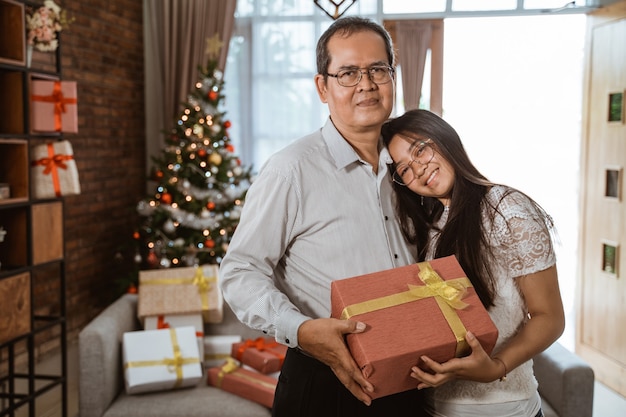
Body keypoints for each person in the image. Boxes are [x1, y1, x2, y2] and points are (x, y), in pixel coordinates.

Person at [219, 16, 427, 417]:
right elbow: (239, 271)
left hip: (411, 374)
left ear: (393, 78)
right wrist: (298, 329)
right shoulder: (290, 170)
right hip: (325, 380)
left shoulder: (412, 165)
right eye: (348, 73)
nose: (366, 84)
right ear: (322, 87)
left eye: (378, 70)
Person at [380, 108, 565, 417]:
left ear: (444, 137)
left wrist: (496, 367)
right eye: (405, 169)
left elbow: (550, 317)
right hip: (432, 407)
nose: (420, 169)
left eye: (421, 150)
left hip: (504, 408)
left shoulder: (507, 209)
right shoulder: (425, 228)